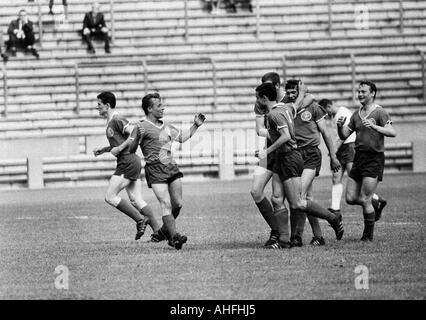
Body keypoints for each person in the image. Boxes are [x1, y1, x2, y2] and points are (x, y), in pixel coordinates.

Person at [255, 82, 344, 249]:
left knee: (297, 202)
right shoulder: (288, 108)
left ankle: (332, 218)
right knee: (276, 198)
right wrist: (303, 93)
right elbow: (296, 105)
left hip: (289, 157)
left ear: (264, 98)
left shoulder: (275, 114)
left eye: (257, 98)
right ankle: (283, 240)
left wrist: (265, 152)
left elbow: (286, 136)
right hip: (281, 158)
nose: (256, 102)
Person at [127, 92, 206, 250]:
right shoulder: (141, 127)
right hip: (154, 169)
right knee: (165, 203)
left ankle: (163, 232)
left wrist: (196, 125)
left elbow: (182, 137)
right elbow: (131, 148)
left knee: (177, 204)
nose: (163, 108)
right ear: (149, 109)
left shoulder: (167, 126)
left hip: (171, 167)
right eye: (159, 106)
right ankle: (174, 237)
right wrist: (135, 142)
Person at [251, 72, 314, 247]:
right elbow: (259, 129)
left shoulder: (289, 97)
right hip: (270, 152)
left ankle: (297, 235)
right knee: (256, 191)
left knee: (297, 198)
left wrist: (301, 95)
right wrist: (276, 132)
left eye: (271, 85)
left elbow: (306, 100)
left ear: (278, 86)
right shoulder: (262, 103)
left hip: (289, 151)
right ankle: (277, 231)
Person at [93, 91, 159, 241]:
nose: (97, 108)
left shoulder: (117, 119)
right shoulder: (111, 121)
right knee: (136, 200)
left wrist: (121, 148)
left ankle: (140, 220)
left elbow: (135, 131)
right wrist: (103, 150)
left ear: (107, 105)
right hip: (130, 161)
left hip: (127, 162)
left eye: (99, 105)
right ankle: (159, 231)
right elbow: (117, 144)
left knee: (110, 196)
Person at [283, 80, 341, 247]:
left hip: (311, 154)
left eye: (295, 92)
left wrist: (333, 156)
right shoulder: (286, 107)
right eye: (289, 93)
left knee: (299, 195)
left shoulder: (314, 107)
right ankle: (318, 236)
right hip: (294, 155)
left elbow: (325, 133)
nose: (292, 95)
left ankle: (299, 235)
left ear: (300, 91)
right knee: (307, 198)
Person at [337, 80, 395, 241]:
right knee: (350, 198)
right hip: (359, 158)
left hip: (374, 159)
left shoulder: (380, 112)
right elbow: (344, 136)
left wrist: (375, 127)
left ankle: (367, 237)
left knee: (364, 198)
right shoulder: (356, 115)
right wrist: (339, 127)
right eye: (359, 92)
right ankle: (376, 204)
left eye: (363, 91)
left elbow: (392, 132)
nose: (360, 94)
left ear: (372, 93)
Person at [319, 99, 357, 214]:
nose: (325, 115)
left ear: (329, 106)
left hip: (350, 146)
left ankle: (375, 199)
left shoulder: (343, 113)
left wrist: (333, 150)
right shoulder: (335, 116)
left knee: (354, 177)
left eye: (325, 111)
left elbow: (344, 135)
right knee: (336, 176)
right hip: (341, 148)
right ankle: (335, 208)